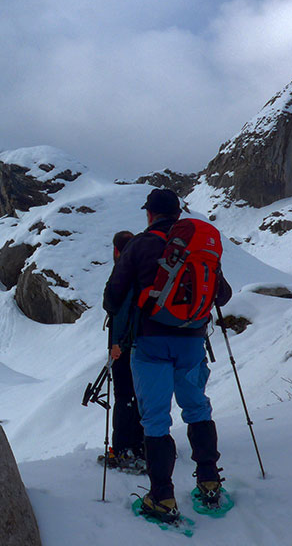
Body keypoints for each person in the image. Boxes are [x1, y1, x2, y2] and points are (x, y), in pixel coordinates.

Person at [102, 188, 232, 523]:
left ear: (149, 214)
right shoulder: (195, 244)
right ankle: (209, 482)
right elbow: (224, 294)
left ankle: (162, 497)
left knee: (156, 419)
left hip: (152, 342)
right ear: (177, 212)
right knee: (197, 407)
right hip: (192, 339)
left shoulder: (140, 244)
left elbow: (112, 298)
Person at [99, 230, 145, 472]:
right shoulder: (146, 268)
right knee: (142, 395)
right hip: (149, 343)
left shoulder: (124, 271)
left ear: (117, 250)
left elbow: (120, 310)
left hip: (125, 345)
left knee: (124, 395)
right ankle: (145, 445)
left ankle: (123, 448)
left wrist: (116, 343)